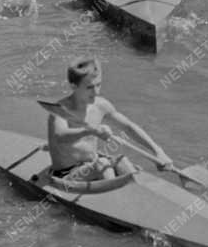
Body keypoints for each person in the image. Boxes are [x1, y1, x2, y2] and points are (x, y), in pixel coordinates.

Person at [44, 56, 172, 181]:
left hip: (92, 164)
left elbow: (129, 127)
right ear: (73, 86)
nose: (96, 92)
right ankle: (113, 197)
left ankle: (130, 193)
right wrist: (91, 130)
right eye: (89, 87)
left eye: (98, 85)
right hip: (66, 174)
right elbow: (60, 136)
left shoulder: (101, 105)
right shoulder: (60, 109)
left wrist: (157, 151)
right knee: (103, 164)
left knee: (122, 161)